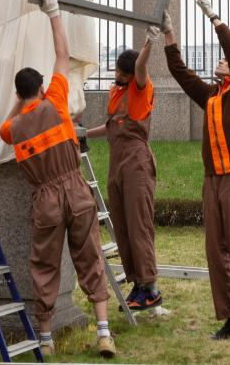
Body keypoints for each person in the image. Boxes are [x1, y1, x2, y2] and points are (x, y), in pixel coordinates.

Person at [0, 0, 117, 358]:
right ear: (42, 88)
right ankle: (103, 332)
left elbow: (6, 124)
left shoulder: (13, 129)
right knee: (90, 258)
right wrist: (53, 13)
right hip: (76, 190)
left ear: (18, 93)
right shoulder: (57, 103)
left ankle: (46, 339)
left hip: (45, 200)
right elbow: (63, 56)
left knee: (45, 265)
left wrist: (19, 100)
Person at [163, 0, 230, 340]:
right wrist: (169, 35)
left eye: (225, 62)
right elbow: (181, 73)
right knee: (216, 251)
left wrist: (214, 18)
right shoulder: (212, 96)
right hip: (213, 180)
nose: (220, 61)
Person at [86, 31, 161, 312]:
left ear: (129, 75)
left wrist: (149, 42)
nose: (116, 74)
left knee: (139, 225)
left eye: (120, 71)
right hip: (117, 163)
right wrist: (82, 133)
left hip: (136, 163)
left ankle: (151, 288)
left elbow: (141, 66)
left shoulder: (140, 89)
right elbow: (110, 128)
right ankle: (138, 284)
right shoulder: (116, 92)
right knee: (123, 225)